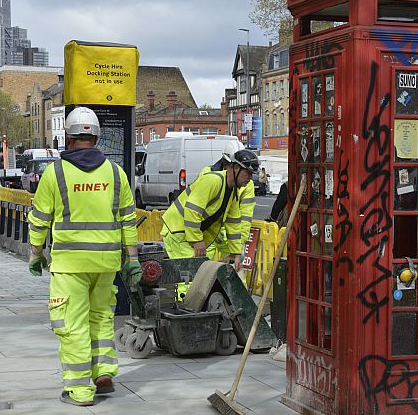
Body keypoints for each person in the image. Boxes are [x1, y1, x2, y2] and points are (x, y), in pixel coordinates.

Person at [26, 106, 142, 407]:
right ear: (98, 137)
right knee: (102, 318)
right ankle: (103, 374)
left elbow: (39, 219)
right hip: (106, 263)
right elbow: (128, 221)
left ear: (68, 136)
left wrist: (35, 253)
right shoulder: (116, 174)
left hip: (70, 265)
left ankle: (79, 390)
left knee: (72, 324)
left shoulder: (55, 173)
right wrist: (132, 260)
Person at [161, 148, 259, 271]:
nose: (250, 178)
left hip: (188, 234)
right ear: (236, 168)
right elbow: (192, 210)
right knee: (189, 277)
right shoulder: (213, 181)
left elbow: (233, 225)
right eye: (248, 173)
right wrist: (197, 241)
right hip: (177, 231)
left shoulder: (233, 192)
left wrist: (236, 253)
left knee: (198, 276)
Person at [199, 143, 256, 262]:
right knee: (200, 270)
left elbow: (246, 214)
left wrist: (240, 242)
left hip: (231, 236)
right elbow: (198, 208)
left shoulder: (247, 183)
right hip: (207, 233)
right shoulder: (208, 174)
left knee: (234, 274)